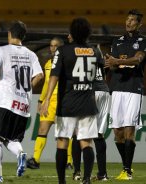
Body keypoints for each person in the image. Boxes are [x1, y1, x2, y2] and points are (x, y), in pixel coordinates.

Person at [0, 21, 43, 183]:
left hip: (6, 102)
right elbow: (40, 75)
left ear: (10, 34)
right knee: (12, 139)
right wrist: (27, 89)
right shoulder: (31, 54)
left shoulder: (2, 50)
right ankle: (20, 154)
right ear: (23, 36)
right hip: (23, 106)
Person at [40, 17, 100, 184]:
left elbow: (54, 76)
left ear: (72, 33)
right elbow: (98, 75)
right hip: (88, 103)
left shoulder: (63, 51)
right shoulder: (95, 51)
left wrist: (45, 100)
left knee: (62, 142)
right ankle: (86, 179)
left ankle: (62, 182)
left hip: (67, 104)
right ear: (88, 33)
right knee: (86, 143)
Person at [105, 9, 146, 180]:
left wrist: (118, 61)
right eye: (127, 19)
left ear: (139, 24)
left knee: (129, 130)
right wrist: (110, 63)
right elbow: (112, 64)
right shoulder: (117, 41)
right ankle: (126, 166)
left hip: (133, 89)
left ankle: (127, 171)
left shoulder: (143, 41)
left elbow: (138, 59)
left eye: (132, 20)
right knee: (117, 132)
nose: (128, 22)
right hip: (117, 88)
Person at [26, 37, 74, 170]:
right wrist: (41, 100)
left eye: (55, 46)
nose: (52, 48)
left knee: (65, 133)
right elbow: (47, 85)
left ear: (61, 47)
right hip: (49, 102)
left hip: (63, 100)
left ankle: (68, 161)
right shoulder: (48, 64)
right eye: (51, 46)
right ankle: (35, 160)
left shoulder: (67, 62)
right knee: (42, 129)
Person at [72, 44, 110, 181]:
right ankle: (102, 173)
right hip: (105, 91)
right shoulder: (99, 57)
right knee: (99, 134)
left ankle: (77, 172)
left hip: (91, 92)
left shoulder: (82, 58)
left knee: (78, 134)